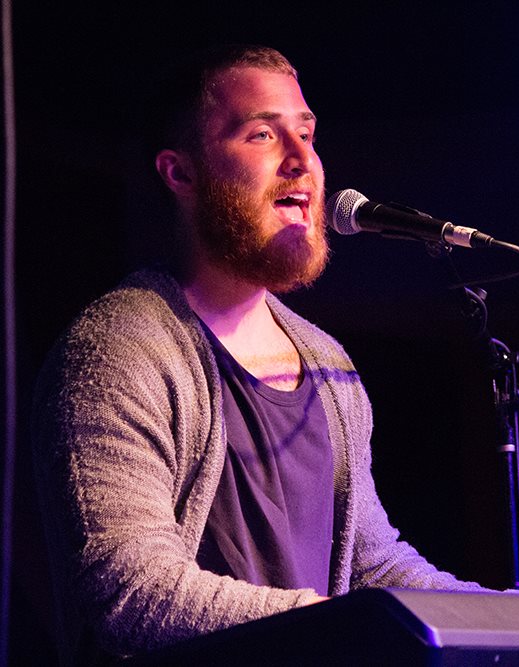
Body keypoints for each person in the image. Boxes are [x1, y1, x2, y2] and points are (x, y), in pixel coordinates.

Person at [32, 45, 486, 666]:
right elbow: (131, 593)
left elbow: (370, 563)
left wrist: (499, 615)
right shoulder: (119, 351)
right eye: (264, 135)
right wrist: (339, 624)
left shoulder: (328, 365)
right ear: (181, 174)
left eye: (306, 134)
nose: (302, 161)